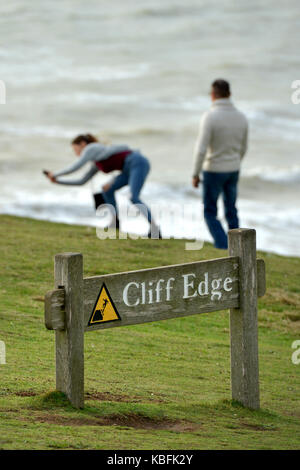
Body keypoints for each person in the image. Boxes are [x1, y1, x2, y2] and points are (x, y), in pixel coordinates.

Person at [44, 134, 161, 237]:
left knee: (133, 197)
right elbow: (82, 181)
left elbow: (75, 166)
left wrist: (55, 174)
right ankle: (115, 222)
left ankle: (154, 229)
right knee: (107, 190)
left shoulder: (91, 147)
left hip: (138, 163)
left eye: (76, 149)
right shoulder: (96, 162)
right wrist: (58, 181)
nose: (76, 154)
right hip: (127, 169)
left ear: (83, 144)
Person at [192, 79, 248, 249]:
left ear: (212, 95)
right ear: (229, 94)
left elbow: (201, 149)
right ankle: (239, 247)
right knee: (231, 209)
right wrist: (235, 162)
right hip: (233, 168)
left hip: (214, 169)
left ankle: (224, 247)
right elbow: (244, 147)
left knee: (210, 211)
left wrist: (195, 173)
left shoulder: (210, 117)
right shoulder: (241, 117)